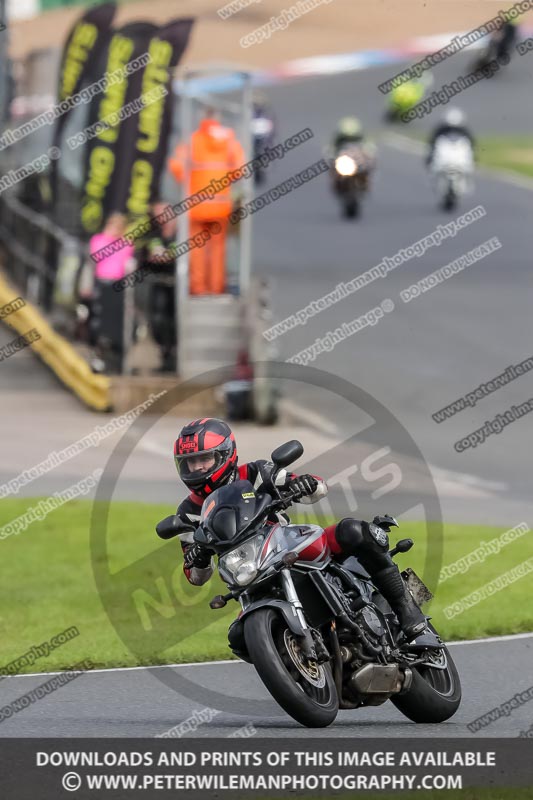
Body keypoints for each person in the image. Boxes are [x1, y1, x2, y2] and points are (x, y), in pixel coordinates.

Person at [157, 417, 429, 643]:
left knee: (354, 531)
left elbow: (318, 489)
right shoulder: (188, 512)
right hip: (247, 572)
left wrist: (305, 484)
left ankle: (405, 607)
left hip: (287, 545)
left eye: (203, 458)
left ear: (225, 454)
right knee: (239, 639)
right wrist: (198, 557)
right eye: (190, 462)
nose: (197, 467)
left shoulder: (256, 472)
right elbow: (196, 576)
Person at [168, 111, 245, 295]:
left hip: (197, 205)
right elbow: (240, 169)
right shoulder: (229, 141)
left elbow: (176, 166)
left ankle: (198, 287)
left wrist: (188, 182)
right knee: (218, 249)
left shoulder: (193, 140)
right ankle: (216, 287)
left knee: (197, 249)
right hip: (220, 206)